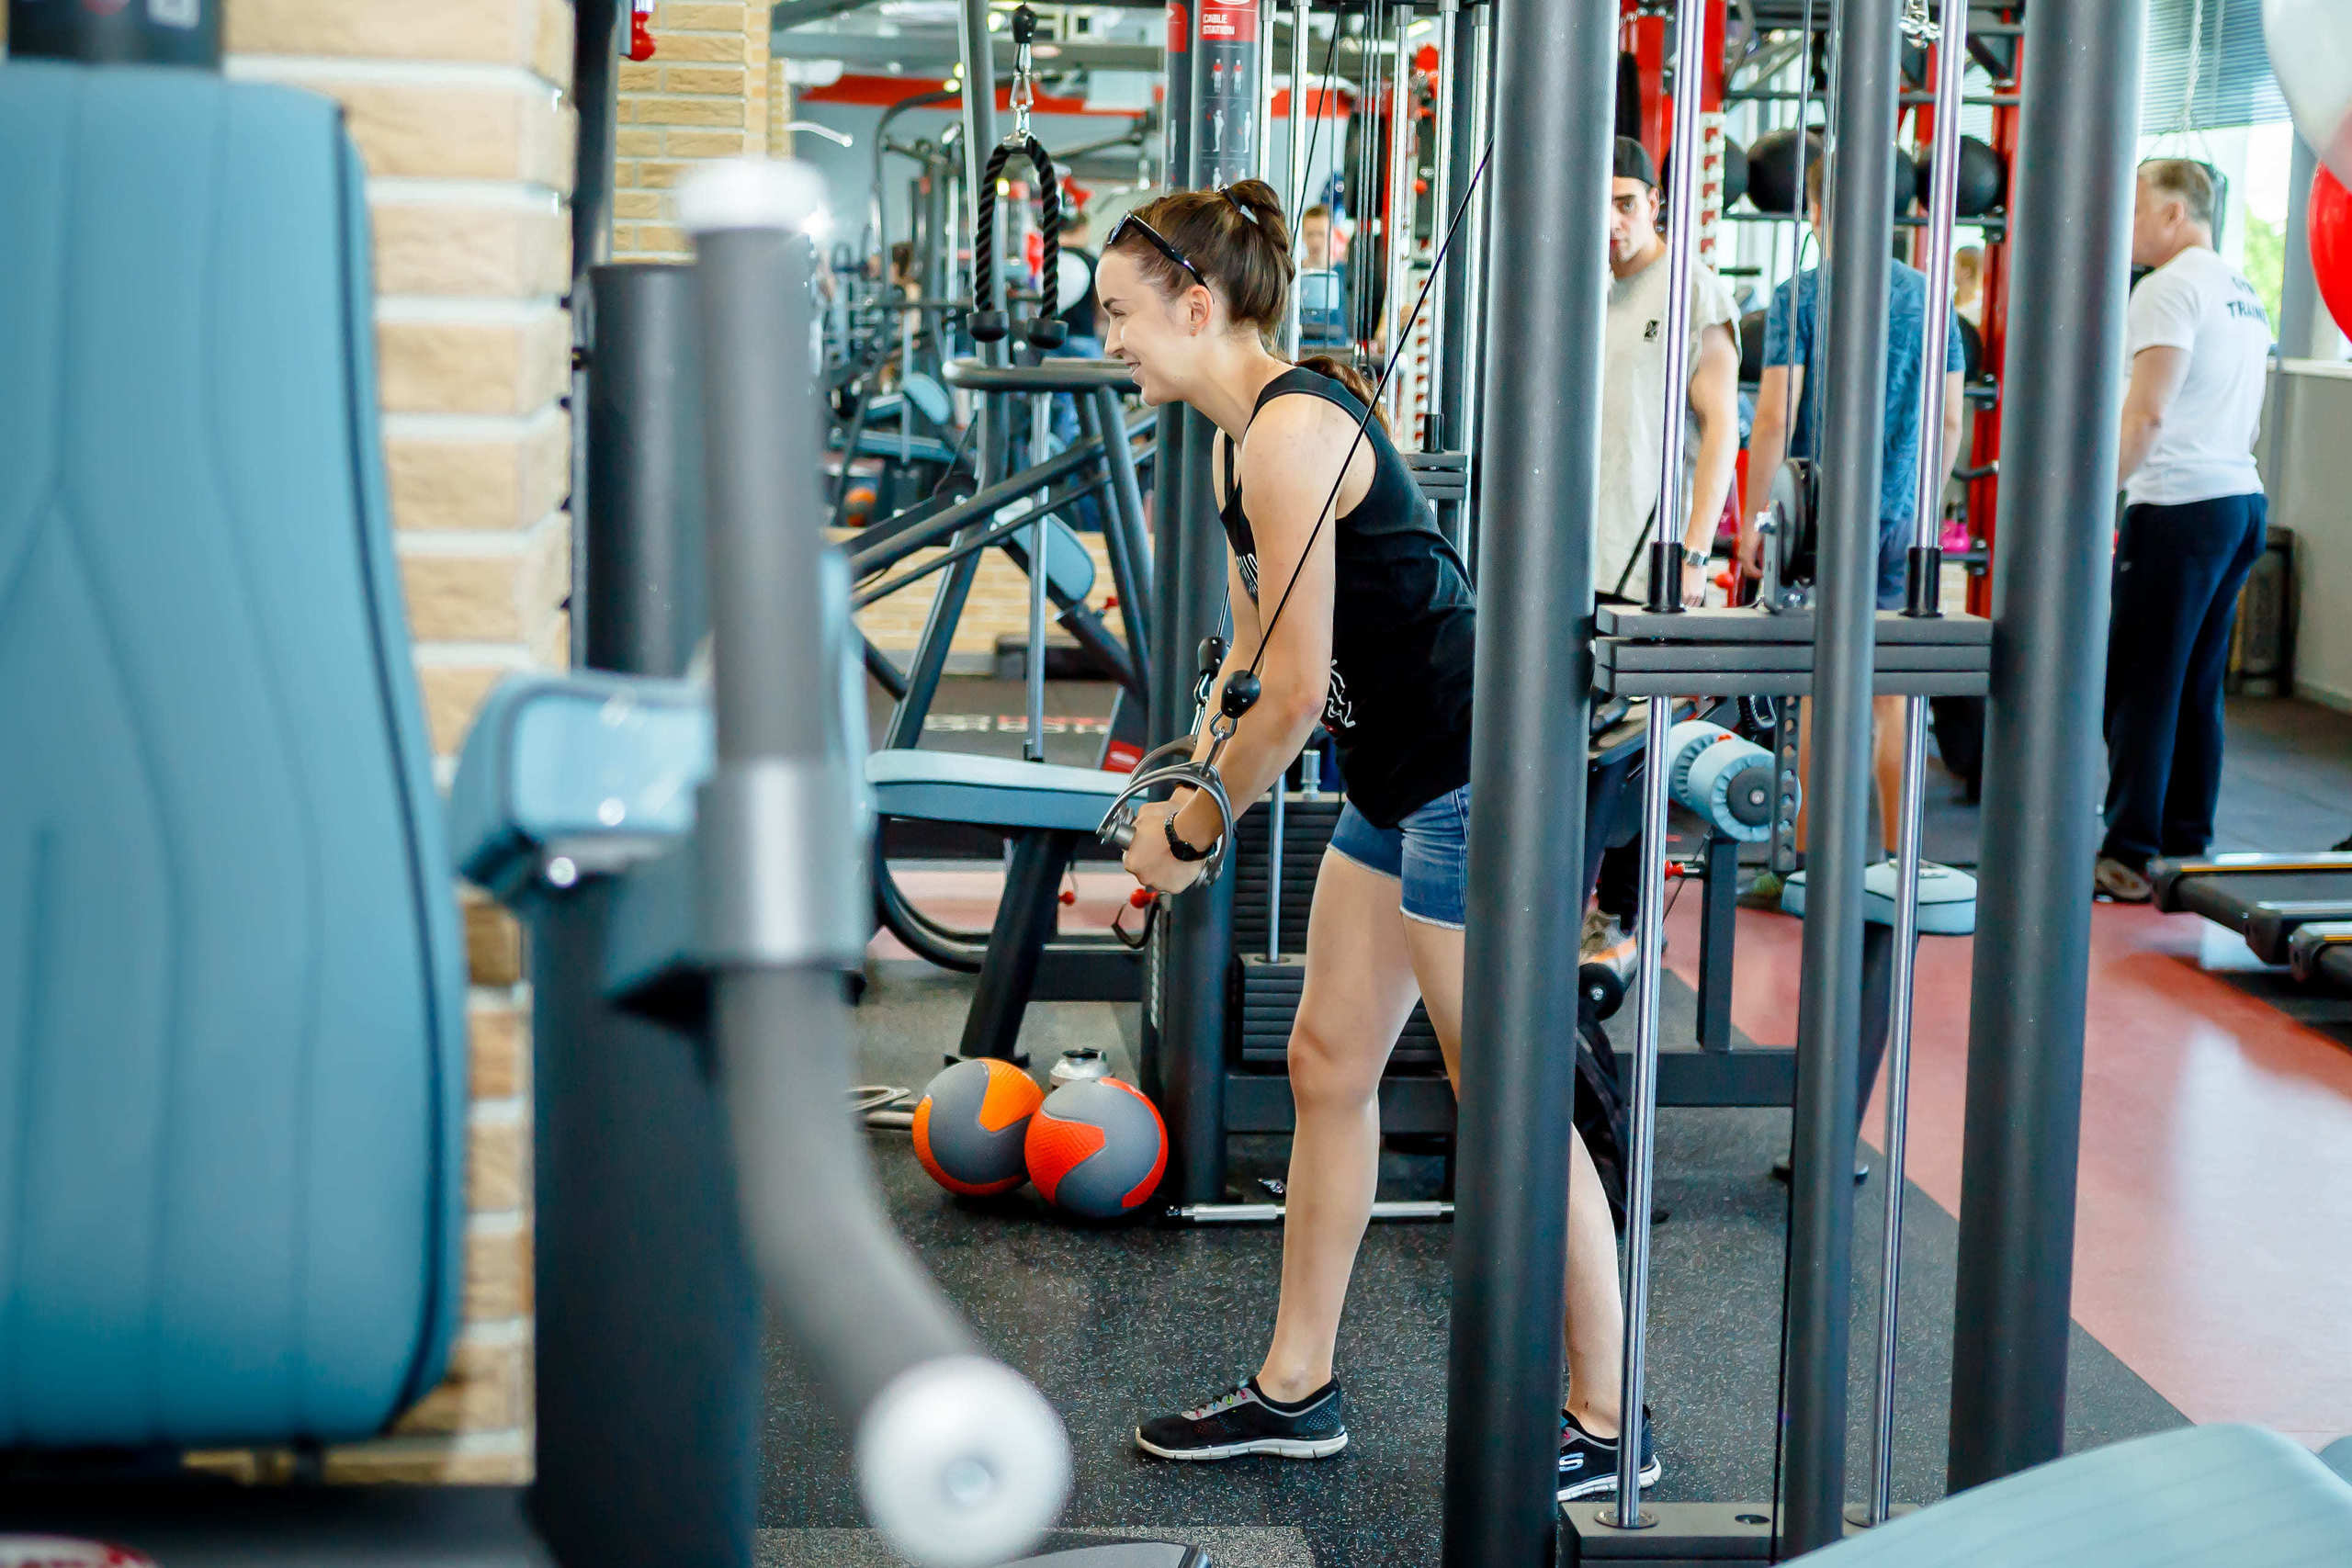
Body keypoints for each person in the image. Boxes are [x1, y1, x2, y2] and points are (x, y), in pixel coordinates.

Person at [1098, 179, 1657, 1500]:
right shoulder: (1243, 447)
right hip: (1397, 780)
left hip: (1476, 779)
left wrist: (1196, 821)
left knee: (1506, 1101)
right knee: (1327, 1057)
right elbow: (1250, 654)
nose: (1112, 336)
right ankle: (1296, 1387)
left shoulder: (1294, 433)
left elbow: (1295, 696)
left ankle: (1607, 1413)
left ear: (1196, 305)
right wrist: (1185, 757)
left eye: (1124, 313)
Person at [1743, 150, 1965, 874]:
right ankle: (1902, 865)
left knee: (1817, 695)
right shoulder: (1931, 299)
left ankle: (1808, 866)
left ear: (1813, 211)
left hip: (1817, 523)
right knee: (1893, 697)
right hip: (1901, 523)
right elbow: (1952, 421)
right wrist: (1920, 510)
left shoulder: (1800, 296)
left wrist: (1759, 520)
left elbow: (1775, 413)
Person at [2093, 160, 2272, 903]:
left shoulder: (2167, 288)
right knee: (2195, 685)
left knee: (2141, 683)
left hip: (2179, 506)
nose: (2126, 226)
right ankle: (2186, 842)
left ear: (2175, 214)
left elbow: (2150, 412)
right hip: (2239, 501)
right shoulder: (2242, 290)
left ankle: (2130, 853)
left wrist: (2096, 501)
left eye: (2136, 210)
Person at [1588, 137, 1743, 964]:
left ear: (1655, 202)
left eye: (1626, 203)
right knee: (1580, 759)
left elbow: (1722, 426)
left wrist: (1689, 551)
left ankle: (1619, 925)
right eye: (1599, 204)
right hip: (1587, 561)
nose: (1613, 221)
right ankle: (1574, 912)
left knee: (1629, 760)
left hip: (1651, 568)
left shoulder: (1688, 286)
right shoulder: (1592, 292)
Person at [1951, 243, 1984, 327]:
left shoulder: (1977, 310)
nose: (1949, 270)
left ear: (1966, 272)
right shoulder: (1951, 301)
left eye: (1954, 265)